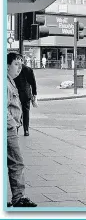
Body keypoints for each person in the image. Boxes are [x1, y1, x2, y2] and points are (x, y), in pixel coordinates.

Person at [7, 52, 37, 207]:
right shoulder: (5, 83)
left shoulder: (10, 81)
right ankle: (18, 198)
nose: (19, 68)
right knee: (17, 163)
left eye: (21, 64)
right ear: (7, 65)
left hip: (10, 127)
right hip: (7, 129)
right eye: (16, 64)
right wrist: (11, 123)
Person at [14, 58, 37, 136]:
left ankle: (16, 128)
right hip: (26, 94)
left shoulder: (14, 69)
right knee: (26, 112)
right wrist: (34, 94)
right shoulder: (28, 69)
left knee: (16, 111)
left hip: (16, 94)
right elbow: (33, 83)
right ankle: (26, 130)